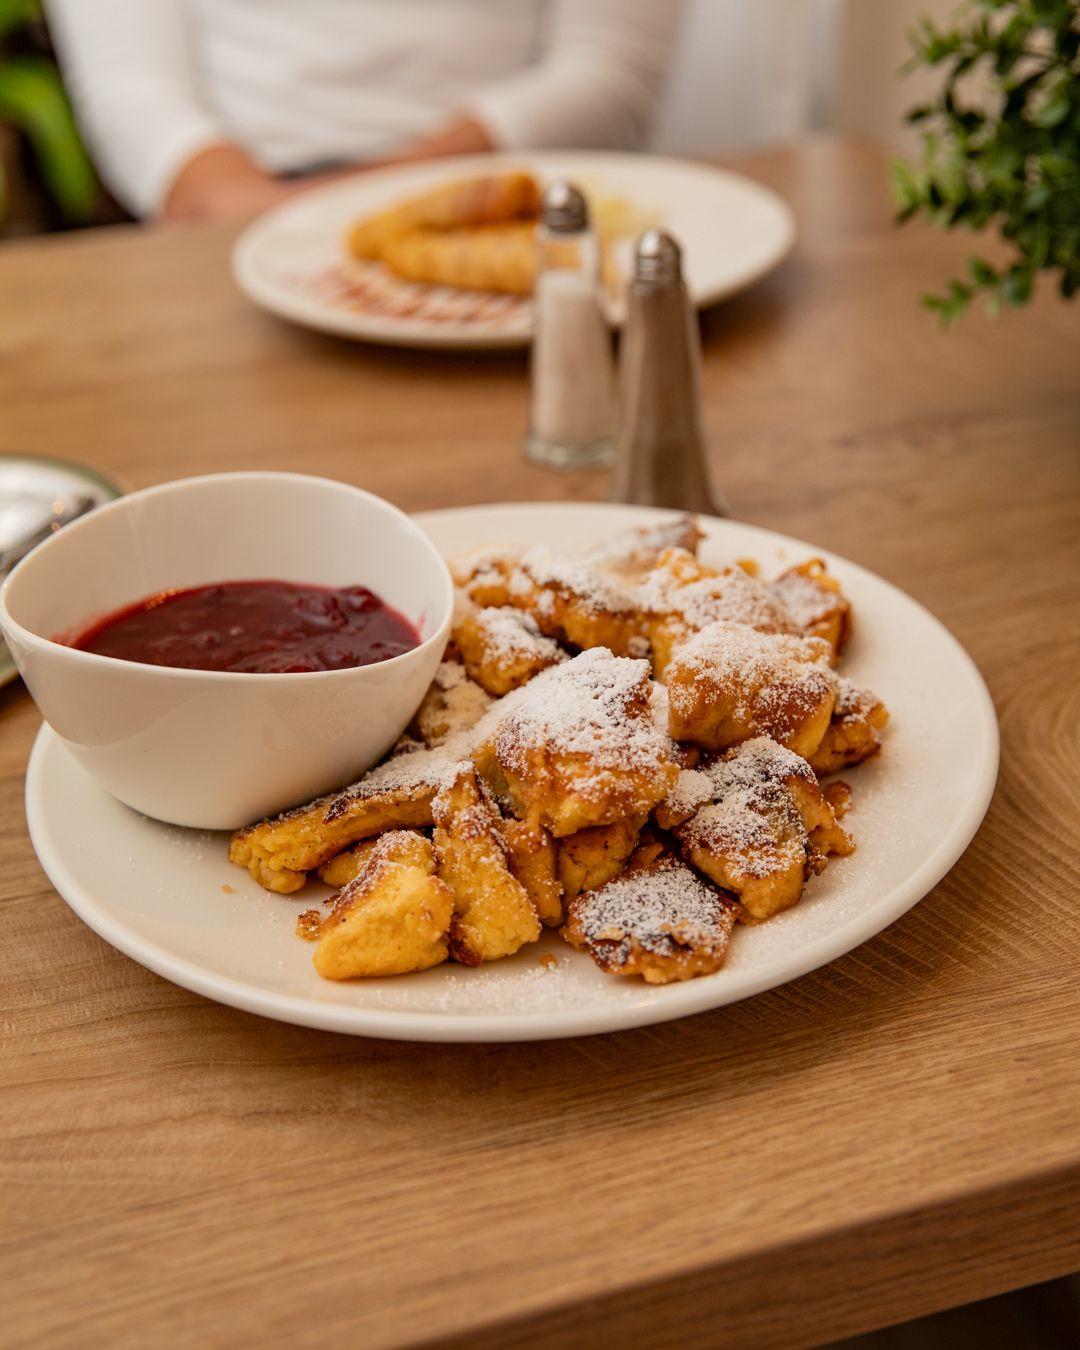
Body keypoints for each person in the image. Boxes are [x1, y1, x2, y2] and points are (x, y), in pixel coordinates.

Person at [45, 0, 683, 223]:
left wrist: (354, 215)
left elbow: (609, 74)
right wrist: (247, 211)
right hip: (235, 218)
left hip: (518, 200)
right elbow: (129, 84)